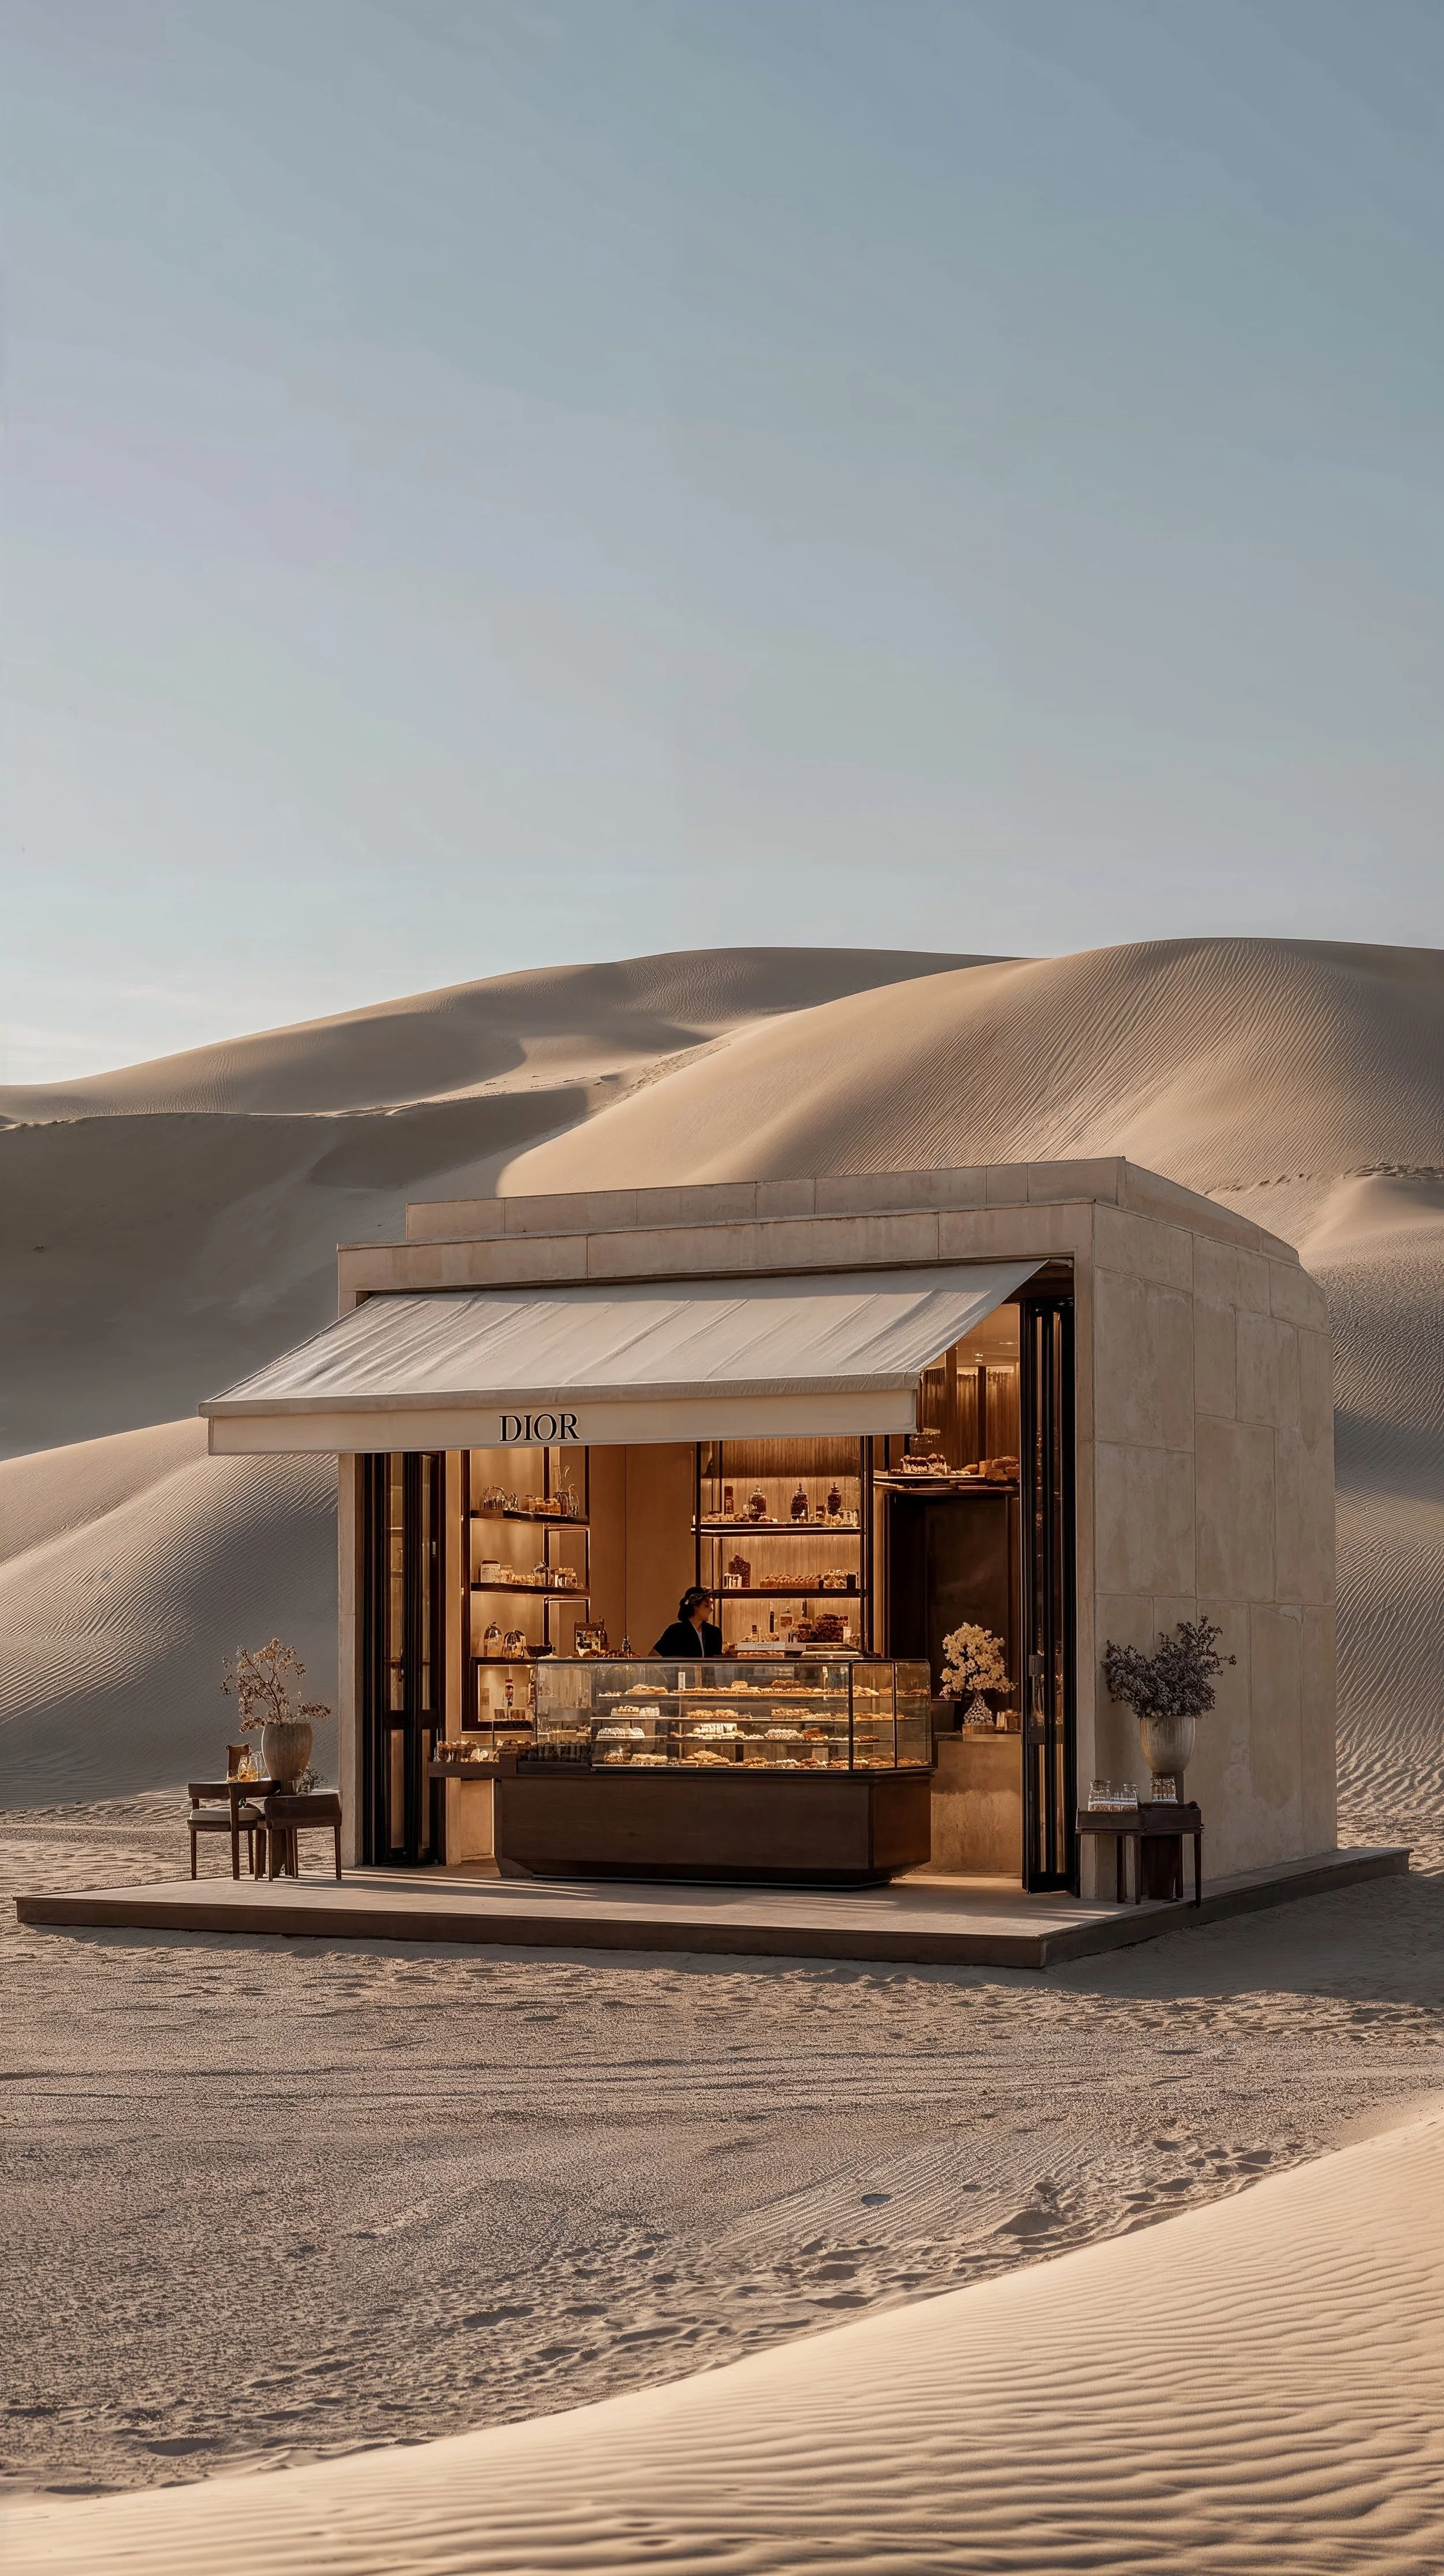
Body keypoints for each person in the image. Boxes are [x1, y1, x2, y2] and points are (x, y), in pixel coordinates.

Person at [653, 1586, 722, 1658]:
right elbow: (654, 1656)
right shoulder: (676, 1631)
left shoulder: (714, 1633)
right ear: (696, 1606)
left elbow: (718, 1663)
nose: (711, 1610)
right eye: (706, 1606)